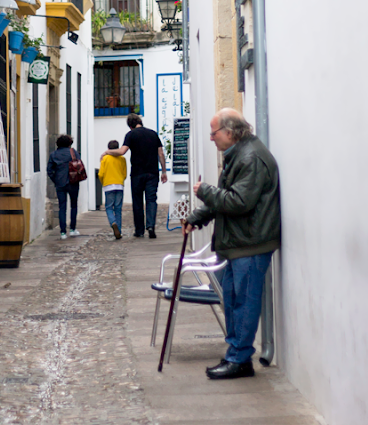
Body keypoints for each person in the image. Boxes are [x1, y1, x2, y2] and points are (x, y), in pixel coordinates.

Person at [183, 108, 280, 381]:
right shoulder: (240, 154)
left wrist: (205, 191)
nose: (211, 138)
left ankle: (239, 359)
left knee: (244, 303)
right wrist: (197, 217)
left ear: (229, 131)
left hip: (250, 243)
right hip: (239, 242)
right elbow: (228, 197)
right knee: (234, 301)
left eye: (213, 132)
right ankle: (235, 354)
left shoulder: (250, 158)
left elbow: (238, 202)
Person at [102, 113, 167, 239]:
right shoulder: (153, 134)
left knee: (137, 201)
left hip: (137, 173)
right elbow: (161, 154)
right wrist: (164, 171)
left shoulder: (131, 135)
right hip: (152, 172)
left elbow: (122, 151)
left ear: (130, 126)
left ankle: (139, 230)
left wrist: (107, 152)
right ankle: (151, 226)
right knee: (151, 200)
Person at [47, 134, 81, 240]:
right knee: (73, 206)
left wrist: (56, 180)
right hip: (73, 181)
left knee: (62, 207)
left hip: (60, 183)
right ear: (69, 143)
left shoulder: (54, 154)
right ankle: (72, 229)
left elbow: (49, 170)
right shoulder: (73, 152)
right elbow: (79, 164)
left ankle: (62, 232)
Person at [98, 140, 127, 240]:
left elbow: (101, 174)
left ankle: (113, 223)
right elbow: (124, 174)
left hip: (108, 185)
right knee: (118, 209)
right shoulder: (122, 159)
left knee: (109, 207)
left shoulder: (105, 158)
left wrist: (103, 182)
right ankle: (119, 230)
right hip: (119, 185)